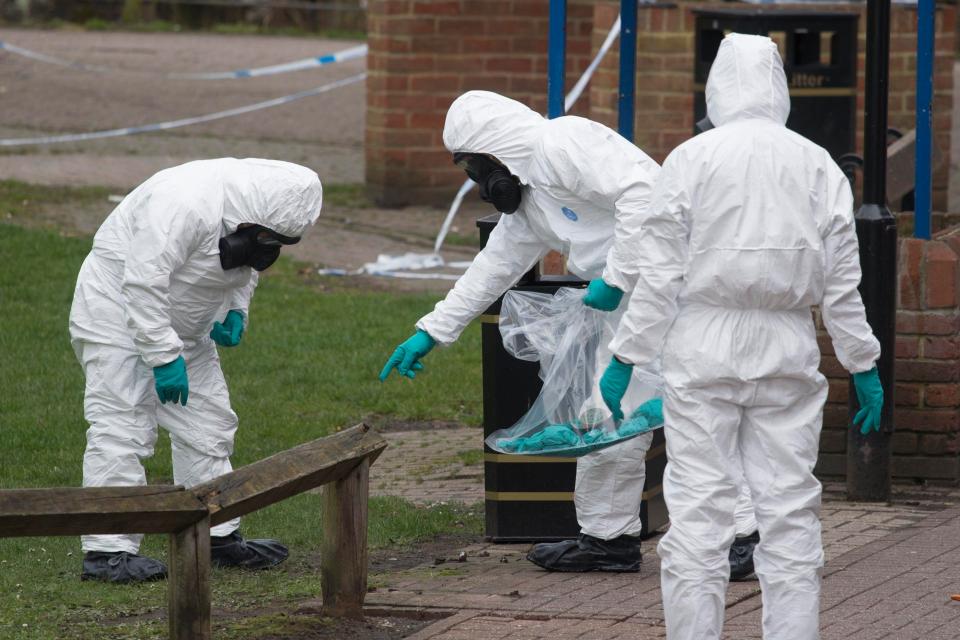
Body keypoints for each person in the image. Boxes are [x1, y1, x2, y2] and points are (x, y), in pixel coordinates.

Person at [378, 90, 759, 573]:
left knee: (697, 413)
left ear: (498, 150)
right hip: (623, 305)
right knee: (606, 418)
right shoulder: (530, 201)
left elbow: (645, 194)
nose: (479, 183)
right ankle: (608, 540)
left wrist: (617, 277)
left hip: (674, 290)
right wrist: (431, 332)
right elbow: (492, 267)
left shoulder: (563, 143)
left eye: (475, 169)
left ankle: (747, 536)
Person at [598, 34, 884, 639]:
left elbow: (660, 274)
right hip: (787, 343)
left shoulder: (691, 159)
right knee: (789, 510)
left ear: (717, 87)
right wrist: (862, 363)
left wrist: (627, 353)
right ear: (780, 88)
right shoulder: (816, 163)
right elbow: (842, 282)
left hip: (702, 342)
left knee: (700, 511)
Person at [69, 158, 323, 583]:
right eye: (266, 239)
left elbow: (244, 264)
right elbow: (142, 283)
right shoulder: (181, 203)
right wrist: (164, 357)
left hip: (188, 326)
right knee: (122, 425)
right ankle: (107, 551)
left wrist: (236, 308)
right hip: (116, 316)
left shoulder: (255, 211)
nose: (267, 249)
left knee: (210, 425)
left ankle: (216, 533)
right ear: (249, 217)